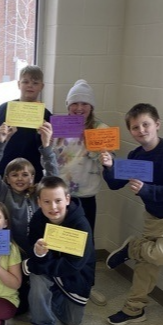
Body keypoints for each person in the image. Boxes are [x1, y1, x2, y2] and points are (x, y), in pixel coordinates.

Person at [101, 103, 163, 325]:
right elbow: (115, 184)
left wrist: (147, 190)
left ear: (157, 125)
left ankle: (132, 248)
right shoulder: (136, 155)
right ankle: (134, 309)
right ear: (131, 131)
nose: (141, 130)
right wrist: (109, 166)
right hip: (154, 215)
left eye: (146, 124)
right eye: (135, 127)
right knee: (147, 265)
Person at [0, 119, 56, 314]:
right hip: (7, 251)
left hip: (32, 249)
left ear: (33, 178)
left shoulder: (37, 195)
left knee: (30, 291)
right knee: (14, 295)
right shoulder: (1, 192)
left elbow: (53, 178)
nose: (20, 179)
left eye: (25, 175)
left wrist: (46, 147)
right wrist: (0, 143)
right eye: (14, 175)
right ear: (7, 178)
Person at [20, 177, 96, 325]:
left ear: (67, 199)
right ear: (39, 202)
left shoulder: (80, 224)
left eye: (58, 200)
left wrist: (33, 264)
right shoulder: (38, 219)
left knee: (72, 322)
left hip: (74, 278)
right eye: (47, 202)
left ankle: (44, 296)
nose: (53, 207)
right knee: (37, 277)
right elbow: (33, 248)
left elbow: (73, 266)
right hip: (50, 270)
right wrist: (37, 254)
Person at [53, 79, 110, 307]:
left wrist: (95, 146)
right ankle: (60, 283)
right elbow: (50, 155)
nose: (79, 108)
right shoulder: (60, 125)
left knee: (86, 243)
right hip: (60, 196)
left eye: (84, 104)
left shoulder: (101, 129)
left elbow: (107, 160)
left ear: (91, 107)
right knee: (59, 240)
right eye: (74, 103)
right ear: (68, 106)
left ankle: (86, 286)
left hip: (85, 196)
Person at [0, 65, 52, 183]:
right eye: (26, 82)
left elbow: (50, 148)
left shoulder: (46, 116)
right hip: (3, 172)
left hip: (32, 175)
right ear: (19, 84)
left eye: (35, 83)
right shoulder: (4, 110)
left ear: (42, 86)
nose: (30, 85)